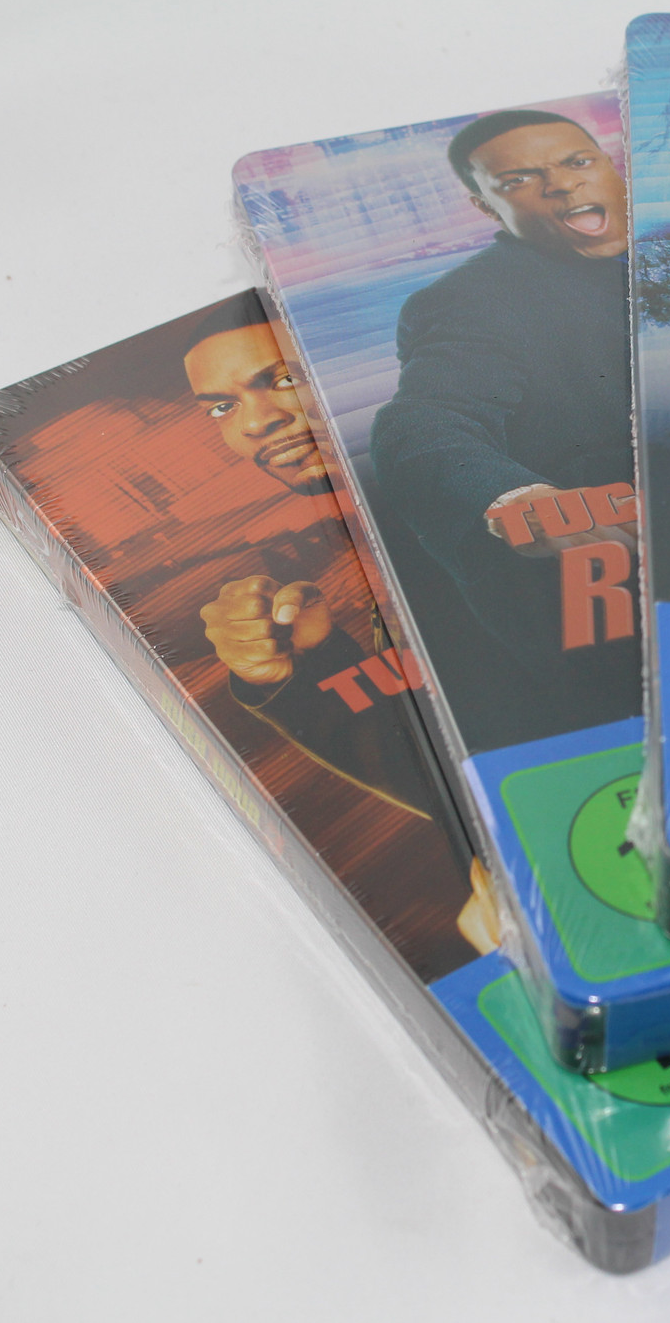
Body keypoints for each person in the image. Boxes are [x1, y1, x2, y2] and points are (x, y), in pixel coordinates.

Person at [182, 294, 500, 955]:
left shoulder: (488, 491)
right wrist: (305, 668)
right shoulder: (391, 526)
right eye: (222, 407)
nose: (257, 423)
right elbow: (454, 764)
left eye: (284, 378)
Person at [367, 110, 640, 739]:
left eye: (577, 162)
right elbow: (425, 422)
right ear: (485, 205)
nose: (562, 185)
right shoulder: (472, 300)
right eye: (519, 179)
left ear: (610, 164)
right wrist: (521, 501)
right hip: (621, 601)